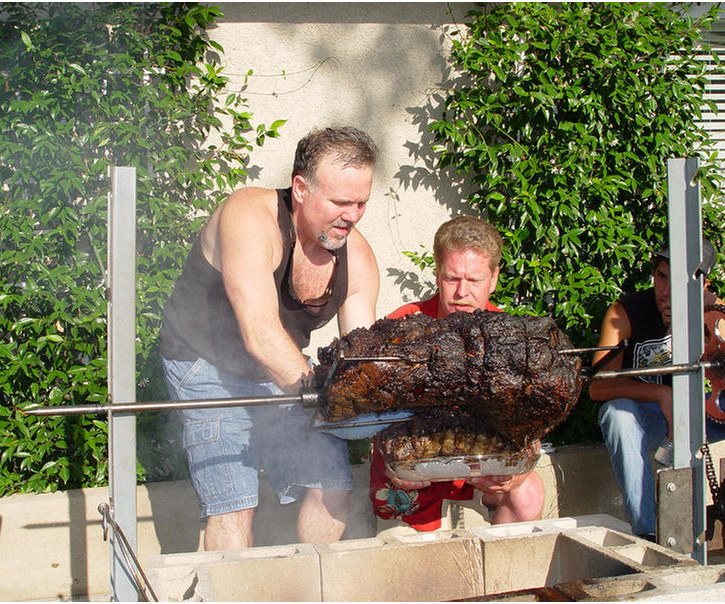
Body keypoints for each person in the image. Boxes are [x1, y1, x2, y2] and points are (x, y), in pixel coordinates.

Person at [159, 126, 380, 550]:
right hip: (204, 364)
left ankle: (308, 588)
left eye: (361, 203)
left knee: (332, 486)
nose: (351, 215)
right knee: (235, 503)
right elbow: (260, 333)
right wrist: (328, 399)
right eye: (338, 202)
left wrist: (381, 408)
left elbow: (360, 358)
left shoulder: (358, 258)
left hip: (279, 365)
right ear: (300, 188)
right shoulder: (249, 216)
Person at [369, 215, 545, 531]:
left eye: (474, 281)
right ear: (437, 275)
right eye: (452, 278)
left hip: (480, 477)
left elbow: (531, 420)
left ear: (494, 278)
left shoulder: (511, 335)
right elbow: (373, 412)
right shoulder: (403, 326)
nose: (462, 292)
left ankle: (503, 578)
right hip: (413, 480)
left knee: (528, 492)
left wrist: (513, 474)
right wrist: (394, 466)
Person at [590, 238, 725, 540]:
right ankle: (647, 532)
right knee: (616, 415)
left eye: (677, 280)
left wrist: (698, 328)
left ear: (703, 283)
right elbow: (597, 388)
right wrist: (658, 394)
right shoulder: (624, 313)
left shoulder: (714, 313)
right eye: (661, 277)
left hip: (699, 413)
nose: (665, 291)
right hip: (648, 417)